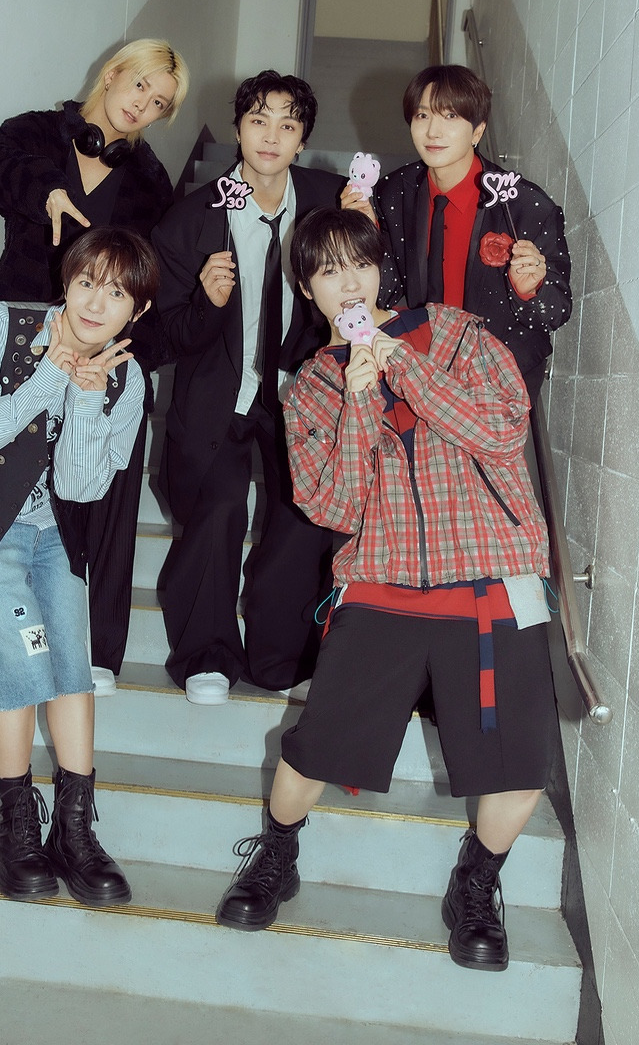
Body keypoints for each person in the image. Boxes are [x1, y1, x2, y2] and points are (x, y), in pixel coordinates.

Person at [212, 207, 558, 974]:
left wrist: (404, 366)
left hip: (494, 575)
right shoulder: (312, 386)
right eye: (327, 270)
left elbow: (503, 430)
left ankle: (476, 881)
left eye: (359, 264)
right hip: (381, 582)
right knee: (313, 752)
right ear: (307, 290)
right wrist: (360, 399)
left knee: (520, 766)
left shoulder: (459, 334)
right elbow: (333, 506)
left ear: (380, 271)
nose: (348, 283)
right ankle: (277, 852)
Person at [0, 226, 160, 907]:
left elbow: (83, 488)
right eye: (86, 283)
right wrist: (50, 375)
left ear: (138, 310)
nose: (95, 304)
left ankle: (75, 832)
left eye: (117, 294)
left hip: (56, 530)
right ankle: (17, 827)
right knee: (22, 668)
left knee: (72, 669)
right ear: (67, 280)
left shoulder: (128, 379)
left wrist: (84, 396)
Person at [151, 70, 375, 705]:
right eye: (258, 121)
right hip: (221, 393)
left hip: (303, 390)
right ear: (238, 129)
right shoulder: (191, 220)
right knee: (219, 506)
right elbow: (164, 335)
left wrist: (368, 227)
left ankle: (282, 655)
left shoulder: (332, 203)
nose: (271, 136)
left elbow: (367, 281)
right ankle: (206, 655)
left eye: (287, 124)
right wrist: (206, 301)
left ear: (302, 138)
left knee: (301, 518)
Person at [0, 38, 190, 696]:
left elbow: (149, 275)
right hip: (19, 336)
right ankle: (11, 643)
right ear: (113, 73)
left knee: (104, 477)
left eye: (159, 104)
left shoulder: (150, 181)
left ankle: (97, 649)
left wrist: (130, 357)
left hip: (96, 349)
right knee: (8, 493)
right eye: (140, 87)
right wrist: (48, 193)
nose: (143, 107)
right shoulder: (35, 133)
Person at [373, 64, 571, 404]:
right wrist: (363, 237)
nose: (433, 131)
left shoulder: (524, 205)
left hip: (500, 380)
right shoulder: (396, 192)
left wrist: (530, 289)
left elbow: (556, 312)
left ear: (478, 130)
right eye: (422, 115)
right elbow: (385, 291)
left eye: (450, 116)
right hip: (426, 374)